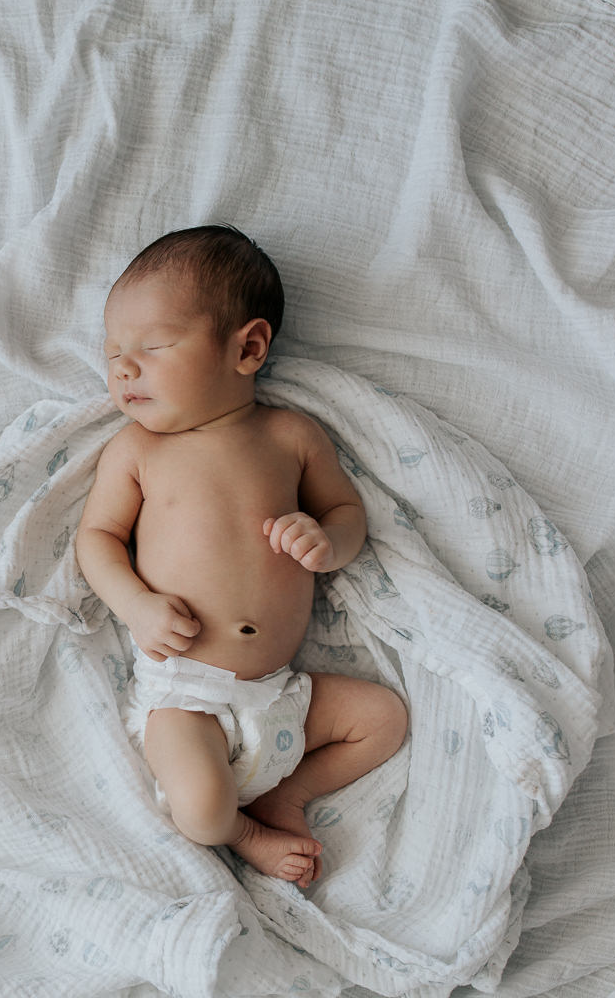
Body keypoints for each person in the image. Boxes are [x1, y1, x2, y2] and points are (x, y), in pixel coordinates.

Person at [76, 225, 408, 887]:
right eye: (113, 352)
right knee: (199, 810)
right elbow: (97, 539)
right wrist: (135, 604)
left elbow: (347, 515)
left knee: (384, 719)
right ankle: (243, 832)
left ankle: (292, 792)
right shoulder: (137, 451)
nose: (122, 368)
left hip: (281, 695)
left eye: (152, 347)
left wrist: (326, 541)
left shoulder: (290, 435)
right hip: (186, 696)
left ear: (248, 348)